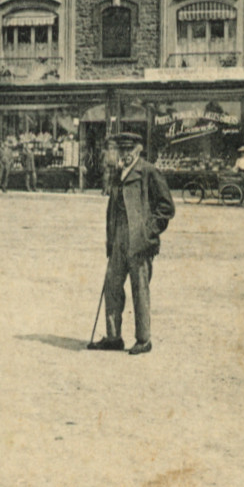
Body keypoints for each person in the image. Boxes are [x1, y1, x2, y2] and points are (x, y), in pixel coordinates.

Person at [87, 131, 175, 356]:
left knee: (140, 289)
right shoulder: (118, 173)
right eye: (121, 149)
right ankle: (113, 337)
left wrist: (148, 233)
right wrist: (110, 239)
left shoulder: (148, 171)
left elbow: (166, 208)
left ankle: (143, 340)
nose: (124, 154)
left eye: (129, 149)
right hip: (118, 240)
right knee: (112, 286)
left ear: (138, 150)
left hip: (139, 241)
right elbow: (111, 211)